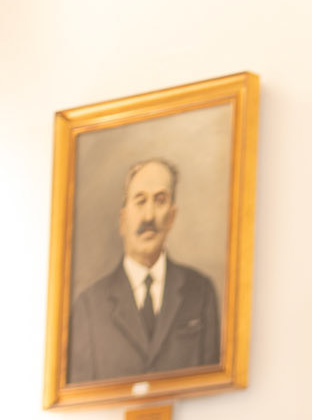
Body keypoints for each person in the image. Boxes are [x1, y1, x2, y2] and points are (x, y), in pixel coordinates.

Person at [67, 158, 221, 384]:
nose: (149, 216)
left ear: (172, 216)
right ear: (123, 219)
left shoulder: (200, 292)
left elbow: (211, 386)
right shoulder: (89, 308)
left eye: (160, 201)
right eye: (140, 201)